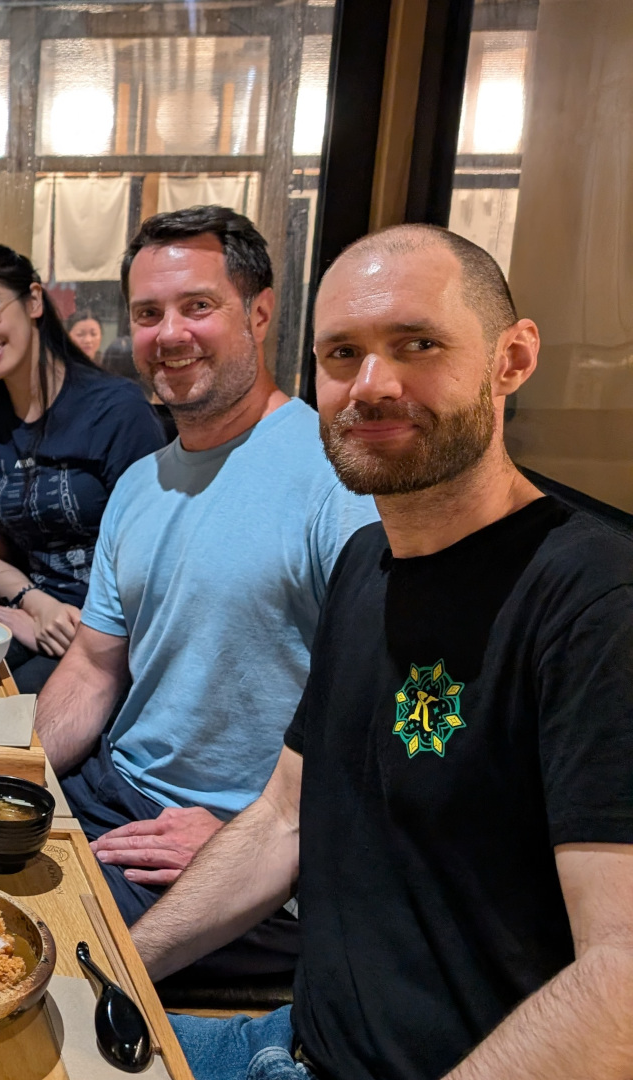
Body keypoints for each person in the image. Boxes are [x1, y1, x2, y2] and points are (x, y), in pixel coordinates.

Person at [136, 224, 633, 1080]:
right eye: (342, 355)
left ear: (511, 360)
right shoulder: (369, 563)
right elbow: (282, 818)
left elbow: (622, 978)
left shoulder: (596, 601)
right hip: (287, 1042)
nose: (372, 385)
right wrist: (107, 972)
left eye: (418, 345)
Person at [35, 206, 378, 980]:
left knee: (22, 969)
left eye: (198, 306)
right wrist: (5, 771)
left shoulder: (341, 481)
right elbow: (93, 667)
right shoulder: (138, 484)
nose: (169, 334)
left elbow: (387, 723)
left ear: (259, 313)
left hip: (234, 843)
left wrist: (256, 836)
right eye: (149, 314)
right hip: (110, 795)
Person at [0, 245, 165, 693]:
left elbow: (151, 565)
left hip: (109, 634)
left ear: (33, 300)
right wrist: (34, 607)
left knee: (3, 721)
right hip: (34, 616)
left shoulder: (115, 410)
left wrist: (61, 623)